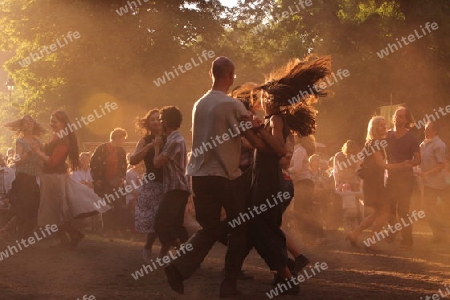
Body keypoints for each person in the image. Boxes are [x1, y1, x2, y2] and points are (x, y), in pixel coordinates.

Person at [163, 57, 279, 297]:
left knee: (209, 228)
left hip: (199, 175)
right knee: (240, 228)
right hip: (225, 175)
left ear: (210, 74)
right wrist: (265, 133)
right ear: (231, 75)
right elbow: (254, 141)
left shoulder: (199, 104)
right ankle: (228, 284)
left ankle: (178, 268)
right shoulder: (233, 105)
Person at [33, 110, 107, 247]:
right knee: (54, 211)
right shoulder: (56, 137)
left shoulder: (63, 140)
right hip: (50, 176)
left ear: (63, 123)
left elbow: (52, 162)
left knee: (55, 210)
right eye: (51, 121)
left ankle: (74, 234)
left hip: (54, 178)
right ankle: (66, 238)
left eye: (55, 122)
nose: (52, 124)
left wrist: (37, 152)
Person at [346, 116, 410, 249]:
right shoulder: (375, 143)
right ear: (374, 128)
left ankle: (354, 233)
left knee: (377, 213)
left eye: (385, 125)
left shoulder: (372, 143)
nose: (385, 127)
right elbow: (381, 165)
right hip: (375, 184)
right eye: (381, 125)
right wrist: (401, 165)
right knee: (385, 211)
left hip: (374, 183)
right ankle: (371, 241)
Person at [153, 106, 190, 257]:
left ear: (166, 122)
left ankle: (185, 252)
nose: (159, 123)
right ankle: (177, 254)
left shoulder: (175, 140)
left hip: (176, 187)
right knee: (176, 224)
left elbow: (157, 162)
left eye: (161, 120)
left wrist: (156, 148)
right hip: (178, 187)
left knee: (162, 222)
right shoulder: (174, 139)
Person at [1, 116, 44, 240]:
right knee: (23, 211)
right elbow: (18, 160)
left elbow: (41, 163)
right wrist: (30, 151)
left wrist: (41, 157)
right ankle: (15, 234)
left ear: (34, 124)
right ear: (22, 126)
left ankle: (18, 235)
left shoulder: (38, 142)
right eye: (26, 121)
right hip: (22, 179)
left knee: (34, 210)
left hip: (34, 179)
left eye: (31, 121)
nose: (29, 123)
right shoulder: (20, 142)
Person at [130, 109, 164, 263]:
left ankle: (164, 253)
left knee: (166, 220)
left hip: (168, 183)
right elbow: (133, 160)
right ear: (148, 123)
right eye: (152, 119)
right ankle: (148, 246)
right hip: (151, 183)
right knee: (154, 221)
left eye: (158, 119)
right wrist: (150, 146)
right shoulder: (145, 140)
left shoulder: (170, 137)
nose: (156, 121)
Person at [386, 107, 421, 248]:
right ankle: (392, 232)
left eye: (401, 116)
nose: (397, 118)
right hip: (391, 177)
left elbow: (418, 160)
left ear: (406, 120)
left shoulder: (411, 138)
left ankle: (407, 240)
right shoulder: (387, 135)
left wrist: (409, 162)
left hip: (406, 179)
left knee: (403, 211)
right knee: (389, 208)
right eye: (396, 115)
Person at [90, 128, 128, 241]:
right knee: (106, 205)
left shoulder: (121, 151)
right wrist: (97, 179)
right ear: (116, 138)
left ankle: (117, 229)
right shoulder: (102, 149)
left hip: (116, 182)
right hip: (104, 181)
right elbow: (94, 164)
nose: (123, 141)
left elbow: (124, 166)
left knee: (118, 205)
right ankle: (107, 229)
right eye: (122, 139)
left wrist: (122, 177)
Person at [419, 121, 448, 243]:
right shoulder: (424, 144)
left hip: (438, 183)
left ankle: (443, 231)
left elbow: (442, 165)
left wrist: (427, 173)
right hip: (427, 182)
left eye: (428, 129)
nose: (425, 131)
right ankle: (438, 234)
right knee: (429, 209)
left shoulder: (439, 145)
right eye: (425, 129)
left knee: (433, 208)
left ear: (435, 131)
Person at [0, 155, 16, 242]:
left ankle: (4, 232)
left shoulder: (10, 172)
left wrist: (8, 198)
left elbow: (13, 188)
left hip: (8, 199)